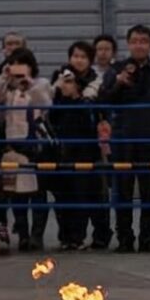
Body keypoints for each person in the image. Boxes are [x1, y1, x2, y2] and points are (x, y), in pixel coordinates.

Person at [96, 24, 150, 253]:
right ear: (128, 44)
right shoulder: (116, 71)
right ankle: (124, 238)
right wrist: (118, 84)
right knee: (122, 190)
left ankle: (148, 237)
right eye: (134, 41)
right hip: (122, 138)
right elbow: (103, 101)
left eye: (143, 41)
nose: (139, 45)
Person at [0, 48, 53, 251]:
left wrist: (28, 83)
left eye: (22, 64)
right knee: (17, 192)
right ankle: (23, 235)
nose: (18, 68)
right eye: (13, 63)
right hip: (12, 142)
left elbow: (46, 103)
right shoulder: (8, 86)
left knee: (39, 191)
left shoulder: (40, 83)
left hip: (35, 143)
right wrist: (4, 78)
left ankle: (37, 235)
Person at [47, 42, 104, 251]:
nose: (78, 60)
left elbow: (91, 117)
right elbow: (50, 111)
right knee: (62, 194)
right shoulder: (59, 77)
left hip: (85, 148)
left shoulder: (94, 82)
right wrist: (59, 89)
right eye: (75, 56)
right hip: (60, 147)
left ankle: (79, 237)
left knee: (82, 193)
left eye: (83, 56)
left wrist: (76, 96)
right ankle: (65, 237)